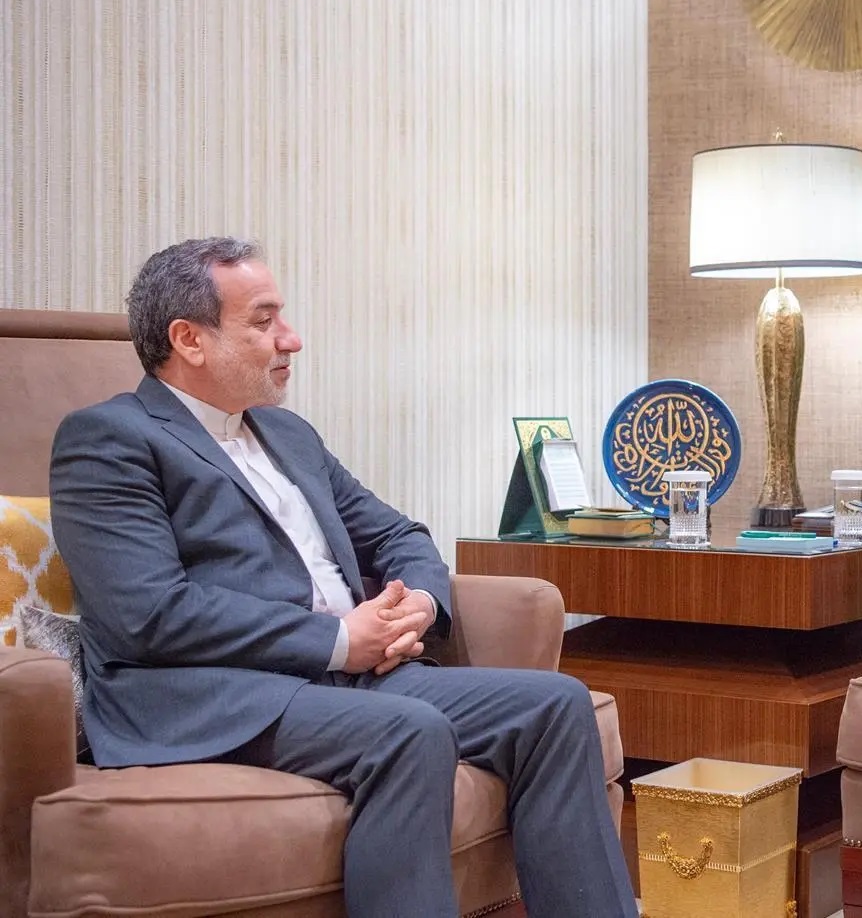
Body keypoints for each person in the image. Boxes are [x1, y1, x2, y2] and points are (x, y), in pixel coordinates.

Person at [49, 238, 636, 918]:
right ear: (190, 340)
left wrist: (419, 602)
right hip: (213, 694)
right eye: (263, 321)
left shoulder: (287, 435)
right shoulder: (109, 438)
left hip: (349, 676)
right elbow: (147, 612)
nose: (290, 339)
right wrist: (335, 639)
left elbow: (397, 534)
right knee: (408, 731)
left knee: (555, 707)